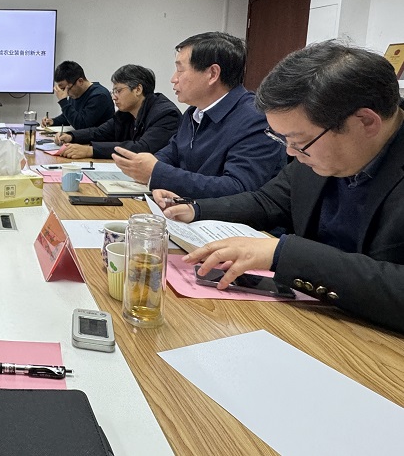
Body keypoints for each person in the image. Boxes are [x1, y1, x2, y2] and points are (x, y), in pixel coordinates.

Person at [157, 41, 404, 334]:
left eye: (299, 141)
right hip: (315, 319)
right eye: (284, 139)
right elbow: (269, 202)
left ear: (365, 121)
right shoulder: (318, 148)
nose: (290, 152)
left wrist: (283, 253)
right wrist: (195, 209)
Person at [112, 32, 284, 198]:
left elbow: (238, 188)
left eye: (180, 70)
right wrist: (145, 167)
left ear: (212, 74)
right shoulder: (194, 112)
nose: (173, 79)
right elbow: (172, 152)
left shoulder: (256, 118)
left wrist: (157, 174)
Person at [54, 64, 180, 159]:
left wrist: (90, 150)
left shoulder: (166, 115)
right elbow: (100, 132)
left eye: (118, 91)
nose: (114, 97)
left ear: (137, 90)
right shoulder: (126, 113)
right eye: (113, 91)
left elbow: (142, 148)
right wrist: (72, 136)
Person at [40, 61, 114, 130]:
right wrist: (53, 121)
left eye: (66, 89)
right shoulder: (75, 93)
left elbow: (81, 125)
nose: (66, 93)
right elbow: (69, 117)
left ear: (80, 81)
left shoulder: (99, 96)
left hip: (99, 139)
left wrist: (63, 101)